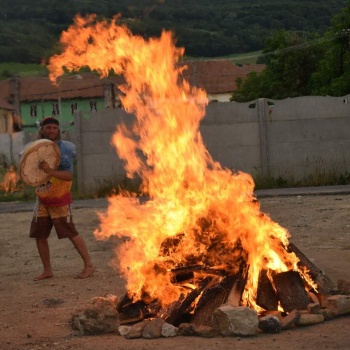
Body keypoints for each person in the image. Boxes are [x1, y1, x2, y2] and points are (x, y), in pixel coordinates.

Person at [29, 116, 95, 281]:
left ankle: (89, 265)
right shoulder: (36, 149)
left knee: (71, 232)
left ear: (58, 131)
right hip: (42, 198)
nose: (51, 131)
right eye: (48, 128)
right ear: (42, 130)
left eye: (54, 128)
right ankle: (47, 270)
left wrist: (50, 171)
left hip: (59, 198)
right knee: (40, 234)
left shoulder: (64, 149)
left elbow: (68, 175)